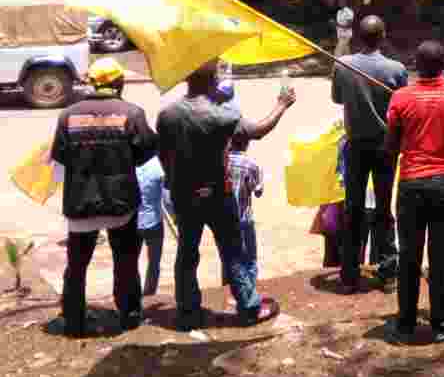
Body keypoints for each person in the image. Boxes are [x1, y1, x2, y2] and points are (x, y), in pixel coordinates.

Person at [156, 61, 295, 331]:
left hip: (185, 194)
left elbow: (163, 153)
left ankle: (187, 310)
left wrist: (175, 181)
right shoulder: (222, 114)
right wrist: (282, 104)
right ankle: (249, 306)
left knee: (187, 252)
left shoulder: (167, 114)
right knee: (233, 251)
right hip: (218, 193)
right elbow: (257, 131)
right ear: (212, 81)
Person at [49, 57, 157, 337]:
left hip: (80, 202)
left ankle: (74, 320)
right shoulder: (132, 113)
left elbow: (59, 155)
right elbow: (146, 152)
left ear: (93, 83)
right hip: (120, 204)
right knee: (125, 260)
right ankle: (129, 315)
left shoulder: (68, 115)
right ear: (119, 83)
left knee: (77, 265)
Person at [386, 41, 444, 344]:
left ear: (416, 63)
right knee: (441, 256)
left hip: (412, 183)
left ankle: (406, 323)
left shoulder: (400, 98)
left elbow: (391, 145)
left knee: (409, 255)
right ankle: (440, 322)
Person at [331, 15, 408, 294]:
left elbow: (337, 98)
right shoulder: (396, 69)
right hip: (385, 146)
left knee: (353, 207)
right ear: (383, 35)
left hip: (356, 146)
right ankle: (388, 273)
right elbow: (403, 106)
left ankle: (349, 275)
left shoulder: (344, 65)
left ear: (358, 37)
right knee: (385, 207)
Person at [222, 129, 265, 297]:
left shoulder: (222, 162)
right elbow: (258, 191)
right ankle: (250, 294)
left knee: (230, 258)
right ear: (247, 143)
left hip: (225, 219)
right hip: (245, 218)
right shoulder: (251, 164)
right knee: (250, 258)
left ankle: (230, 291)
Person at [136, 155, 167, 297]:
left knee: (130, 261)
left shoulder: (130, 163)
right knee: (154, 262)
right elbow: (166, 198)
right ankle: (149, 294)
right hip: (154, 220)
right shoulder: (156, 165)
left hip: (134, 221)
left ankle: (132, 293)